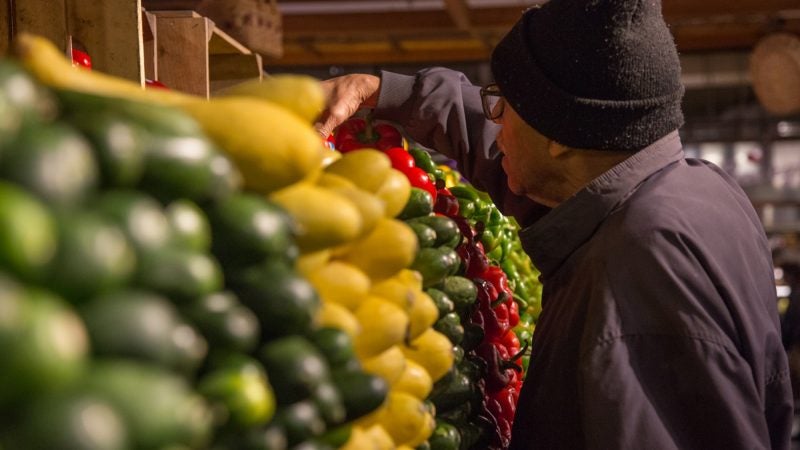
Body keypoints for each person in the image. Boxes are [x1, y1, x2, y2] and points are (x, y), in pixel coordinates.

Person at [315, 0, 794, 448]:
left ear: (560, 137)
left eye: (504, 105)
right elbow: (519, 156)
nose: (495, 122)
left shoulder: (640, 270)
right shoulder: (693, 191)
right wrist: (389, 92)